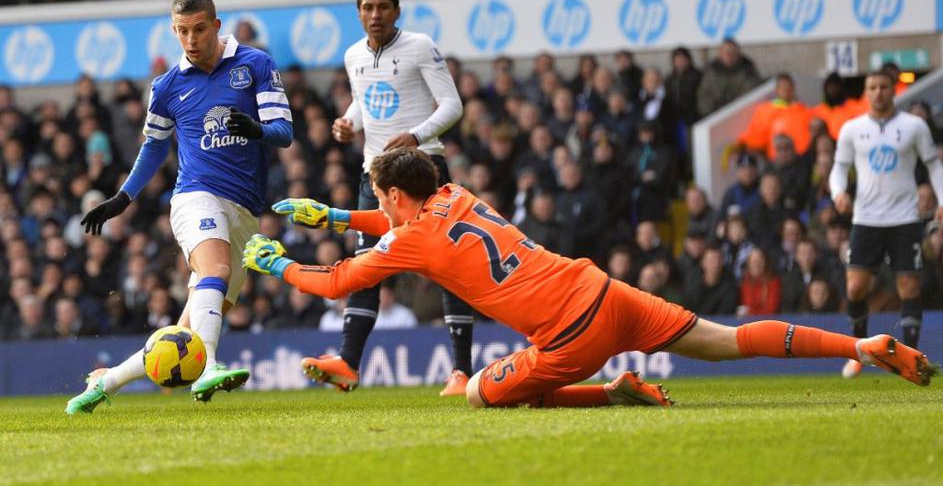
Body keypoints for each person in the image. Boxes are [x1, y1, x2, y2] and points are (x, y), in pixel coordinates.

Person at [244, 148, 935, 411]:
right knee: (728, 341)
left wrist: (279, 264)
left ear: (397, 196)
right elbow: (396, 220)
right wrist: (338, 215)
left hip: (572, 335)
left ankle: (610, 392)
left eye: (379, 197)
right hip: (603, 289)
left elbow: (336, 282)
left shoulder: (409, 238)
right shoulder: (455, 194)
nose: (380, 206)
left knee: (480, 394)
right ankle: (861, 347)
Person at [65, 0, 293, 414]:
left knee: (187, 331)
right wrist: (124, 196)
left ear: (216, 26)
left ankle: (105, 381)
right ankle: (208, 369)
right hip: (195, 195)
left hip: (245, 209)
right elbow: (154, 147)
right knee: (216, 270)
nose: (191, 39)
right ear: (174, 31)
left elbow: (284, 131)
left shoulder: (255, 64)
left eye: (199, 29)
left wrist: (257, 130)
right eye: (182, 31)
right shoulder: (167, 86)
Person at [282, 0, 471, 397]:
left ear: (397, 11)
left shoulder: (420, 46)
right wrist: (349, 122)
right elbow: (365, 101)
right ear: (359, 13)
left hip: (424, 169)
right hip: (376, 176)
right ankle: (348, 363)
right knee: (366, 267)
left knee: (449, 266)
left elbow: (452, 105)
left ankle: (461, 371)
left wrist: (416, 135)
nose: (375, 15)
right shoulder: (354, 55)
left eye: (383, 7)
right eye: (367, 8)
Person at [829, 70, 943, 380]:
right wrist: (838, 193)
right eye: (873, 87)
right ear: (866, 93)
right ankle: (858, 353)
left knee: (909, 286)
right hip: (866, 219)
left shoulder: (914, 126)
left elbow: (934, 165)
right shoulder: (853, 129)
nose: (878, 92)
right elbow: (839, 168)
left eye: (883, 87)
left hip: (904, 218)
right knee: (855, 287)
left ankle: (911, 360)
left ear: (893, 91)